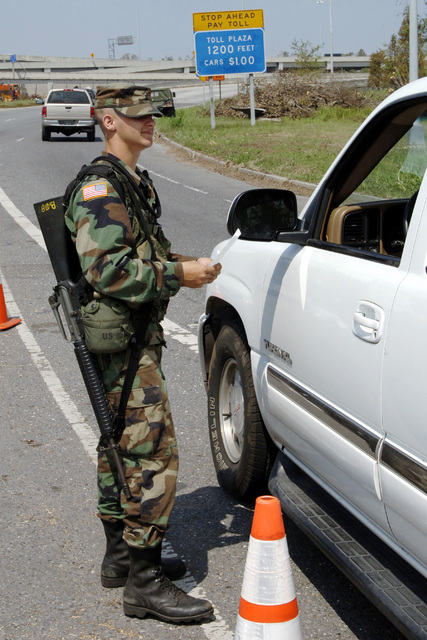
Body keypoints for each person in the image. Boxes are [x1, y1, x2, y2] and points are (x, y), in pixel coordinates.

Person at [65, 84, 221, 624]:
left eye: (153, 114)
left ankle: (119, 559)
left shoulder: (131, 181)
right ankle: (145, 583)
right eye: (137, 116)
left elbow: (140, 252)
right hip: (121, 341)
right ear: (108, 120)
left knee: (120, 446)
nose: (149, 123)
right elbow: (106, 270)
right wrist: (180, 274)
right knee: (152, 453)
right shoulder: (99, 190)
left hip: (131, 336)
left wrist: (185, 262)